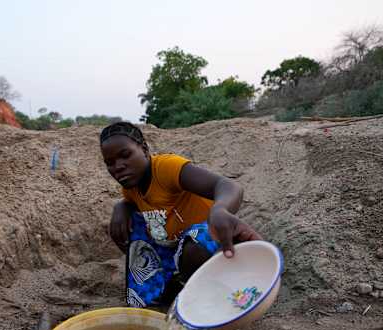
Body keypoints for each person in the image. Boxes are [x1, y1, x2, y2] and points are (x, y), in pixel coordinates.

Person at [100, 122, 262, 308]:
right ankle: (172, 284)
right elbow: (133, 206)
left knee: (192, 248)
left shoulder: (166, 168)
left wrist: (220, 210)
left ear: (144, 149)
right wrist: (121, 207)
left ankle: (209, 295)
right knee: (122, 227)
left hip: (210, 242)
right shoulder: (131, 187)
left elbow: (228, 186)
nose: (118, 166)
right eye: (109, 163)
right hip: (173, 247)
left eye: (125, 155)